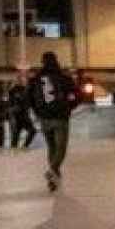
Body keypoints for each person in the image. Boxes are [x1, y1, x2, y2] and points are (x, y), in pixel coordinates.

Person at [29, 51, 80, 190]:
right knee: (61, 148)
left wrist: (37, 112)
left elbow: (29, 98)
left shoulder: (36, 79)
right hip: (60, 117)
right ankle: (52, 171)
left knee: (52, 147)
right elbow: (76, 94)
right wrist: (69, 107)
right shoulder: (63, 78)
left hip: (44, 118)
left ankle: (53, 179)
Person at [8, 79, 37, 148]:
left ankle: (24, 146)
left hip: (23, 116)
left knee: (31, 131)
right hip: (17, 116)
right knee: (16, 135)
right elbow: (13, 101)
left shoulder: (26, 91)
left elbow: (31, 103)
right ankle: (20, 148)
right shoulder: (14, 91)